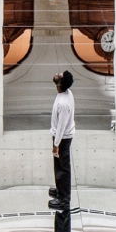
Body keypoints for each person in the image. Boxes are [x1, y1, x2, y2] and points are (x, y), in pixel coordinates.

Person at [49, 69, 75, 210]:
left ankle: (64, 199)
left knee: (62, 168)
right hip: (62, 137)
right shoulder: (65, 93)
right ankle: (61, 190)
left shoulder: (64, 103)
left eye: (59, 75)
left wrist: (56, 144)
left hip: (62, 139)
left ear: (60, 83)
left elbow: (61, 126)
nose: (56, 73)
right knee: (60, 166)